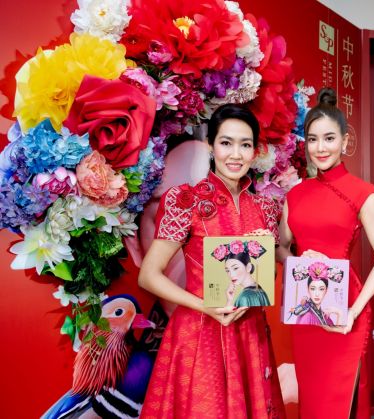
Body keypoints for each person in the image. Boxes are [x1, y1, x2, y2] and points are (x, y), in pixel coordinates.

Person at [138, 104, 285, 418]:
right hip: (200, 331)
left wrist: (262, 256)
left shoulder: (265, 207)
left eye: (245, 145)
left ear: (255, 151)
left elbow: (268, 278)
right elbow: (149, 275)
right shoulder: (186, 200)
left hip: (249, 333)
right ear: (210, 145)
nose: (236, 154)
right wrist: (204, 305)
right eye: (226, 143)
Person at [277, 87, 374, 418]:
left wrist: (354, 311)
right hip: (305, 310)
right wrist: (299, 262)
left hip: (345, 307)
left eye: (329, 138)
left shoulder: (362, 192)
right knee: (313, 400)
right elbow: (280, 248)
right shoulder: (295, 195)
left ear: (344, 141)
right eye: (313, 139)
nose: (320, 148)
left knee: (342, 401)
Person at [212, 239, 271, 307]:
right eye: (227, 270)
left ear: (248, 267)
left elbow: (232, 315)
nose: (231, 275)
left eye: (235, 268)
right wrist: (229, 300)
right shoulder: (260, 291)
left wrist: (229, 302)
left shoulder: (244, 297)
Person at [292, 262, 344, 326]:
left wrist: (339, 313)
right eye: (313, 289)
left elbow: (336, 332)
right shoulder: (307, 316)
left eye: (321, 289)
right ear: (308, 289)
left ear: (326, 290)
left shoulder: (326, 317)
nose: (317, 294)